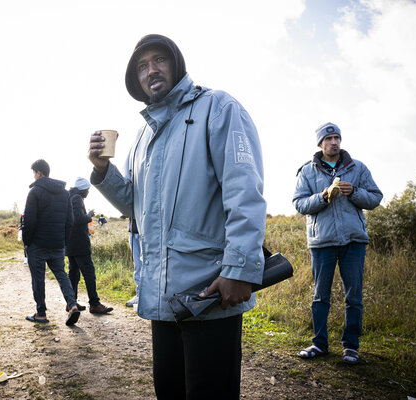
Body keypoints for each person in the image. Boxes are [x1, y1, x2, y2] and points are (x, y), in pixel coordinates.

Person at [88, 34, 266, 399]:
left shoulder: (217, 108)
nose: (150, 70)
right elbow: (135, 207)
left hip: (210, 293)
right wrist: (103, 170)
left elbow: (244, 193)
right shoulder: (141, 137)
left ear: (176, 64)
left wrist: (239, 269)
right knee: (169, 392)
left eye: (159, 60)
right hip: (161, 298)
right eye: (141, 66)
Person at [293, 122, 382, 364]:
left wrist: (353, 192)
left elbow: (375, 198)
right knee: (320, 296)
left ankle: (351, 348)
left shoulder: (358, 168)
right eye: (329, 138)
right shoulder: (307, 171)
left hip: (354, 242)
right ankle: (319, 344)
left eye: (337, 138)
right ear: (320, 143)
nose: (334, 142)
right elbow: (299, 204)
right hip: (322, 242)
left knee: (354, 297)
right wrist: (322, 196)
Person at [22, 159, 81, 326]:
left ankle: (41, 313)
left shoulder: (35, 192)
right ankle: (72, 304)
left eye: (34, 173)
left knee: (38, 278)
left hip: (38, 245)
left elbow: (29, 221)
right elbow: (70, 221)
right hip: (57, 244)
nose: (33, 177)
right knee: (62, 275)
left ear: (39, 173)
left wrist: (27, 242)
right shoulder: (64, 193)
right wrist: (63, 241)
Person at [66, 177, 113, 314]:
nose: (88, 192)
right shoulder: (77, 198)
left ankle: (71, 303)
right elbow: (78, 219)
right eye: (87, 190)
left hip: (71, 243)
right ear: (83, 189)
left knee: (73, 274)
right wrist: (90, 215)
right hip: (80, 244)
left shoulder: (70, 197)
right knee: (89, 274)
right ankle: (94, 304)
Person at [125, 218, 141, 308]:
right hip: (132, 230)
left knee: (147, 265)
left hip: (144, 231)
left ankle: (148, 296)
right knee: (137, 265)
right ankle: (139, 295)